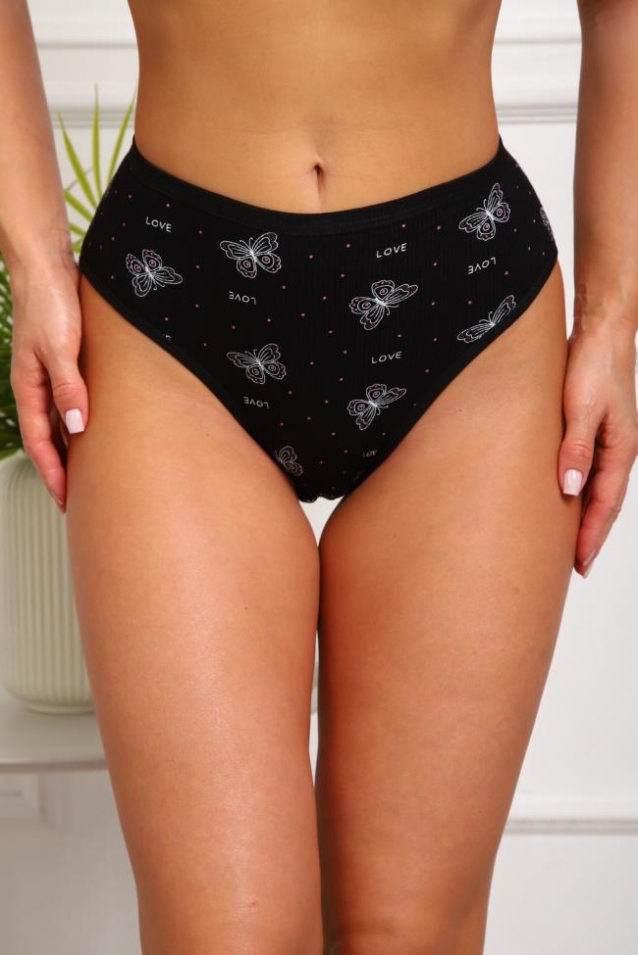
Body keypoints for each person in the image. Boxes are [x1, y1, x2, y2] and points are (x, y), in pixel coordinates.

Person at [1, 1, 636, 952]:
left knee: (409, 934)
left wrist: (614, 318)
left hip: (469, 316)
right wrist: (34, 262)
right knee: (224, 937)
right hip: (173, 310)